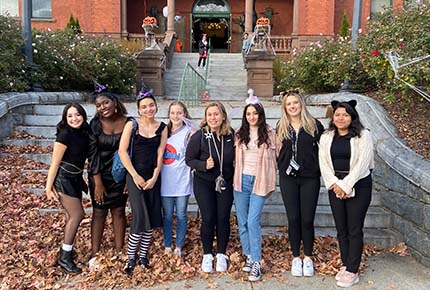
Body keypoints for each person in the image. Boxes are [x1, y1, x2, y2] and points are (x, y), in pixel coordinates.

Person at [319, 100, 374, 288]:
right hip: (335, 186)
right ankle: (345, 263)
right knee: (341, 228)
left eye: (345, 115)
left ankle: (353, 269)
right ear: (333, 117)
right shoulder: (326, 136)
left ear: (352, 117)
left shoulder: (363, 135)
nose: (341, 118)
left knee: (354, 228)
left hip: (359, 185)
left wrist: (347, 185)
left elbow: (363, 163)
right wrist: (336, 184)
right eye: (337, 115)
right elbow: (323, 164)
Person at [119, 90, 167, 275]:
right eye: (144, 106)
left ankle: (143, 256)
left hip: (153, 177)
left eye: (151, 105)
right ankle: (131, 257)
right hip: (134, 176)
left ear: (156, 106)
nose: (149, 109)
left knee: (152, 215)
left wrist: (155, 176)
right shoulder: (131, 125)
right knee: (140, 216)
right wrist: (135, 176)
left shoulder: (163, 127)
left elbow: (160, 153)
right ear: (139, 109)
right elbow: (122, 152)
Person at [277, 92, 324, 277]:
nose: (293, 106)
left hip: (309, 178)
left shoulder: (313, 125)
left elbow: (326, 149)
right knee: (293, 218)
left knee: (307, 219)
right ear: (285, 107)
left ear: (301, 104)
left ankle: (308, 257)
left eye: (295, 102)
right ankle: (296, 257)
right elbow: (276, 150)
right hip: (288, 178)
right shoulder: (281, 126)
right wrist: (281, 165)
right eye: (289, 104)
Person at [185, 101, 235, 273]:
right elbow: (189, 160)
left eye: (216, 114)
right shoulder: (199, 136)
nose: (213, 117)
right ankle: (207, 254)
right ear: (206, 118)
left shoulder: (230, 135)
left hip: (225, 182)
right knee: (208, 217)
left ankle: (221, 253)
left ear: (223, 116)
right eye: (210, 114)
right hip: (204, 182)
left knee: (223, 217)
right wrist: (203, 165)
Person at [233, 100, 278, 281]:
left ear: (260, 114)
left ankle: (257, 262)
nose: (252, 117)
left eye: (255, 113)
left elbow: (279, 155)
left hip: (260, 180)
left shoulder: (269, 133)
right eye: (248, 114)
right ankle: (249, 256)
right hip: (241, 180)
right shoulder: (239, 134)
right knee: (242, 221)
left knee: (252, 221)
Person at [45, 103, 90, 274]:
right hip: (64, 179)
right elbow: (54, 164)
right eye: (70, 116)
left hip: (76, 178)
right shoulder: (64, 135)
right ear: (65, 118)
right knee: (77, 214)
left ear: (83, 116)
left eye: (77, 114)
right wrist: (48, 187)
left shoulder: (85, 133)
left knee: (70, 216)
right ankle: (64, 258)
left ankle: (67, 251)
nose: (74, 118)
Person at [87, 92, 129, 262]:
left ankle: (119, 251)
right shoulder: (95, 124)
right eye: (98, 105)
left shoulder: (128, 122)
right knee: (99, 212)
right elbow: (92, 155)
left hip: (120, 175)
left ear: (114, 102)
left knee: (119, 211)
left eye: (106, 103)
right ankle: (94, 254)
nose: (102, 107)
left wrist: (128, 178)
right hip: (99, 175)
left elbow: (131, 152)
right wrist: (97, 183)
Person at [160, 101, 194, 258]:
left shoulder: (189, 132)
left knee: (181, 215)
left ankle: (179, 245)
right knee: (167, 215)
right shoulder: (163, 132)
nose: (176, 116)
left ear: (184, 114)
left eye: (179, 112)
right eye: (173, 113)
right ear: (169, 115)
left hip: (182, 181)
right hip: (165, 181)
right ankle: (167, 244)